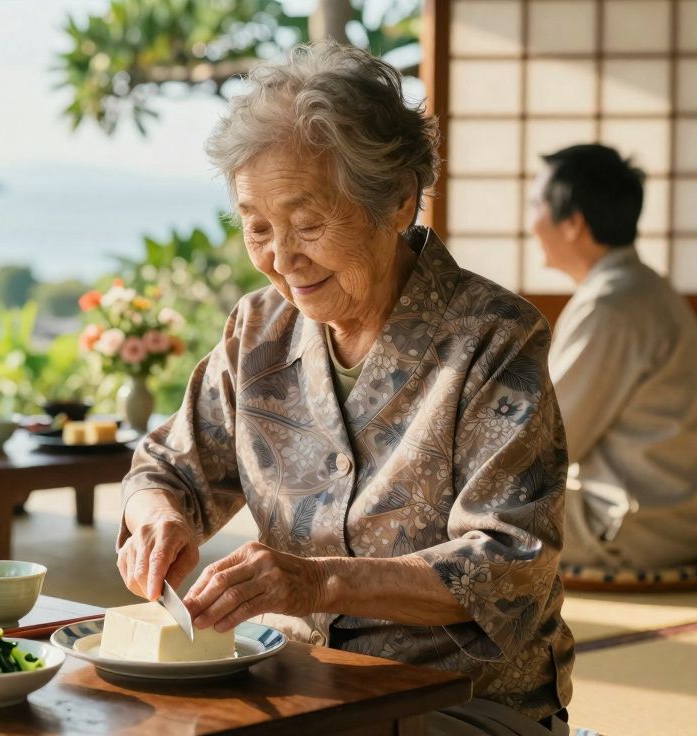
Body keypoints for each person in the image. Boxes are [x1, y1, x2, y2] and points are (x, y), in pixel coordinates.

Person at [116, 44, 572, 735]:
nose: (281, 257)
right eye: (257, 227)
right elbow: (168, 468)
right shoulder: (257, 332)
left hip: (456, 701)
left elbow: (509, 563)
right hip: (291, 685)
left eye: (307, 224)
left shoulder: (493, 340)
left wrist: (317, 581)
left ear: (397, 201)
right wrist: (159, 521)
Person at [529, 144, 697, 569]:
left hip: (629, 525)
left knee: (448, 510)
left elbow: (549, 443)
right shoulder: (635, 286)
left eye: (535, 205)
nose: (530, 223)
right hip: (667, 515)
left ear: (573, 224)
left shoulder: (611, 304)